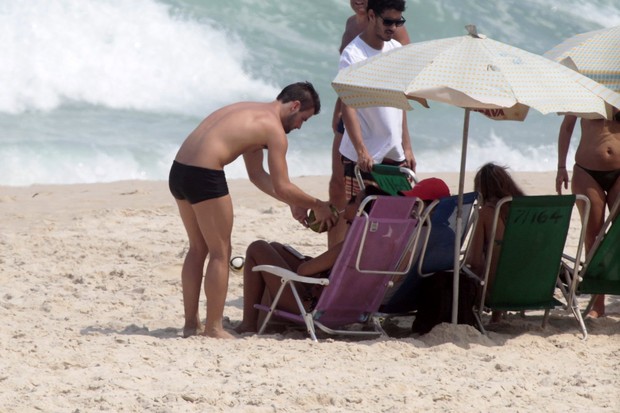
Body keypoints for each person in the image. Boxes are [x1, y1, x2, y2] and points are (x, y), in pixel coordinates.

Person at [169, 82, 338, 339]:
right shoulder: (274, 132)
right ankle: (213, 328)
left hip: (179, 171)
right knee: (220, 253)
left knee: (198, 248)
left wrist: (293, 202)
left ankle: (191, 324)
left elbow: (257, 175)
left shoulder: (250, 111)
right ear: (294, 106)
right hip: (204, 174)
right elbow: (283, 185)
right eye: (303, 118)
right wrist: (317, 205)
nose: (300, 126)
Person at [234, 186, 387, 334]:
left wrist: (311, 263)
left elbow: (303, 271)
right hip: (348, 309)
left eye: (353, 200)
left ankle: (248, 324)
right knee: (275, 248)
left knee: (257, 247)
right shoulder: (379, 247)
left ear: (363, 213)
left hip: (313, 308)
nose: (348, 200)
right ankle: (273, 320)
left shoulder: (348, 247)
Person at [328, 0, 413, 248]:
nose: (393, 27)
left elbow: (401, 103)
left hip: (394, 150)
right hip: (363, 155)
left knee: (397, 220)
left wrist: (407, 146)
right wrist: (362, 149)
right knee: (361, 221)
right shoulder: (353, 54)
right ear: (373, 16)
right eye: (389, 22)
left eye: (398, 22)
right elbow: (349, 103)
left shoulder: (396, 49)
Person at [555, 108, 620, 318]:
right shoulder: (585, 85)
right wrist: (561, 166)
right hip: (586, 170)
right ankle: (597, 303)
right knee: (593, 237)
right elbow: (567, 127)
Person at [466, 163, 525, 323]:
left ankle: (495, 314)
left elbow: (475, 262)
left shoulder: (486, 214)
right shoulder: (527, 212)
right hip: (530, 287)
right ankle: (497, 315)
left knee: (472, 267)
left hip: (496, 292)